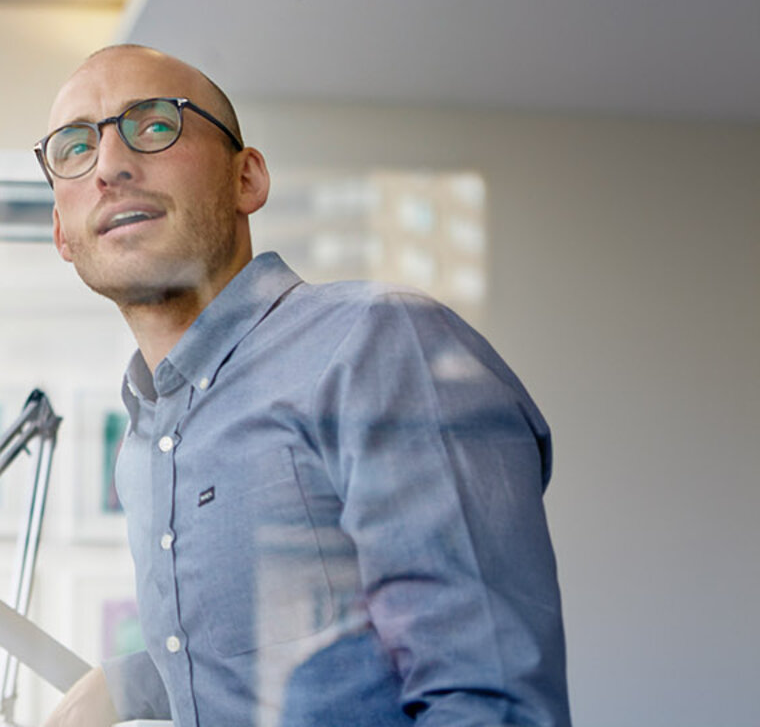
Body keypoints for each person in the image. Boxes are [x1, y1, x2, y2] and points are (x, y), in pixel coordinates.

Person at [34, 45, 568, 727]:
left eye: (154, 124)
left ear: (247, 178)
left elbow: (490, 703)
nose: (110, 164)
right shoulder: (145, 437)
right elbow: (285, 644)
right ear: (62, 233)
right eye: (74, 147)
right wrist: (129, 683)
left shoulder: (377, 345)